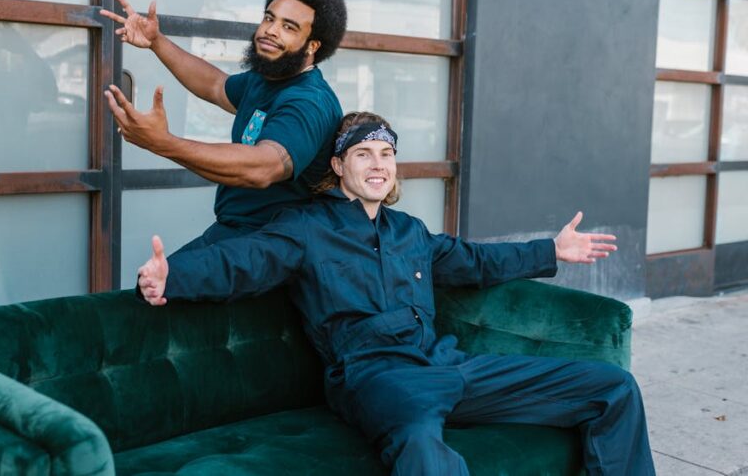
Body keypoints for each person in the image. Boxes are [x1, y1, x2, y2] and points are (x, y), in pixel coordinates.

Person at [134, 112, 655, 475]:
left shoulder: (410, 232)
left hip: (447, 365)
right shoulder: (305, 229)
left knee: (613, 388)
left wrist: (552, 250)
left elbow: (476, 261)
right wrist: (171, 275)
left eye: (387, 153)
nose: (378, 164)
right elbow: (242, 261)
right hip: (376, 376)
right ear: (339, 166)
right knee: (425, 452)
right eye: (363, 153)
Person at [100, 0, 347, 250]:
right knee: (155, 284)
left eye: (288, 27)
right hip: (237, 231)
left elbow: (264, 167)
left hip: (275, 244)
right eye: (269, 18)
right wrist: (156, 41)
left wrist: (164, 143)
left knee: (161, 286)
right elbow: (215, 85)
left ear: (313, 45)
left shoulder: (308, 101)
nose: (270, 31)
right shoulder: (267, 80)